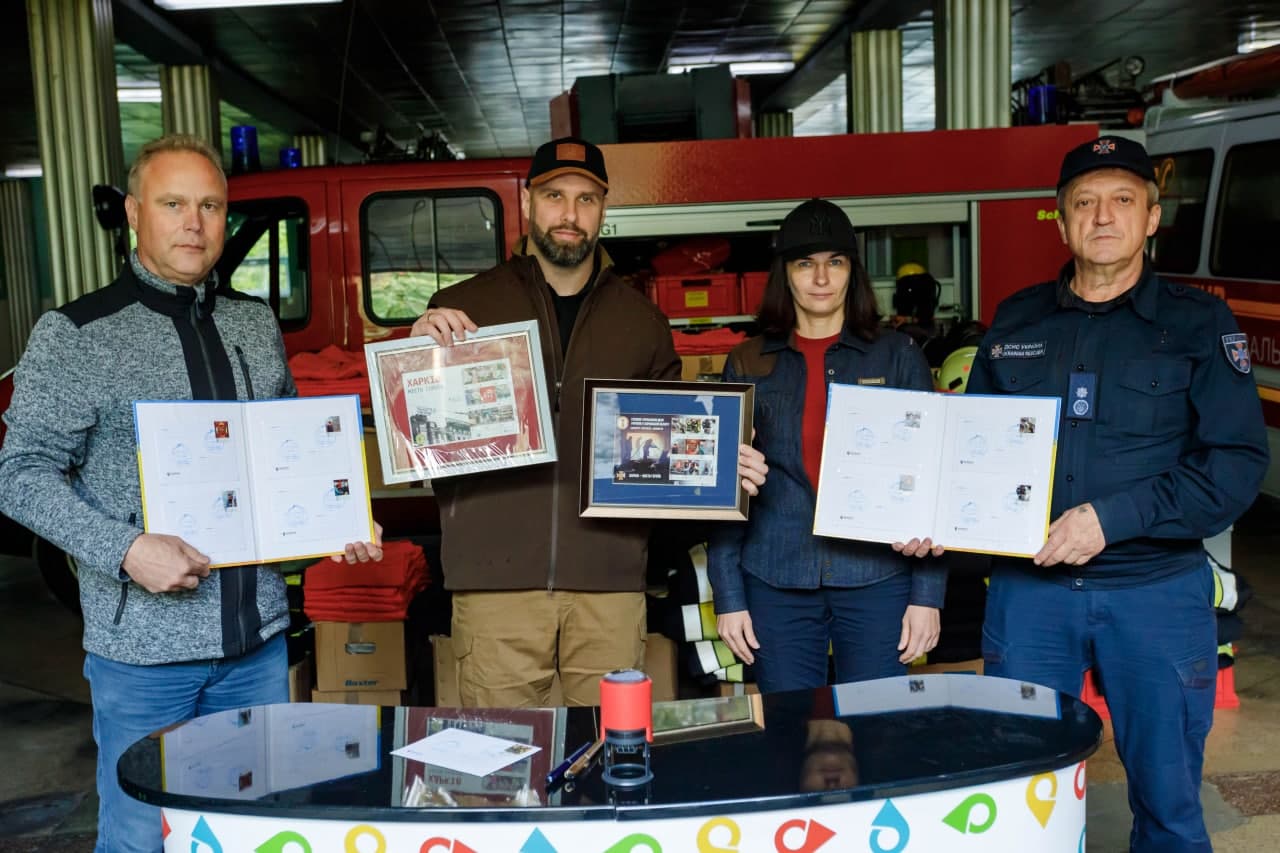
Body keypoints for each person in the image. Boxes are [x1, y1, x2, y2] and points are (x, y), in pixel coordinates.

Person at [0, 134, 383, 853]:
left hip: (258, 645)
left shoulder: (253, 323)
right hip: (143, 658)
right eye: (174, 204)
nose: (194, 223)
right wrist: (125, 549)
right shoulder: (76, 334)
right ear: (135, 214)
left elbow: (287, 457)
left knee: (252, 831)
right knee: (143, 834)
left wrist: (339, 520)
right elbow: (16, 474)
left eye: (210, 206)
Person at [967, 136, 1268, 852]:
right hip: (1030, 596)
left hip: (1155, 595)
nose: (1103, 217)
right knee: (1020, 800)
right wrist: (934, 517)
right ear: (1062, 221)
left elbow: (1235, 465)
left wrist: (1112, 518)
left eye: (1123, 200)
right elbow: (969, 450)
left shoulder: (1200, 325)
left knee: (1168, 804)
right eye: (1084, 202)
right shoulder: (1015, 321)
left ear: (1153, 217)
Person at [410, 137, 767, 708]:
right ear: (529, 202)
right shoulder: (461, 308)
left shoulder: (643, 322)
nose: (569, 214)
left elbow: (673, 450)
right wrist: (418, 354)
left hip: (610, 586)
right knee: (504, 764)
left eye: (586, 199)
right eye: (554, 196)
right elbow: (420, 432)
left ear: (604, 209)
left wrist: (725, 461)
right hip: (494, 587)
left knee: (609, 761)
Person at [707, 198, 946, 694]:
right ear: (785, 274)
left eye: (835, 263)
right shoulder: (748, 360)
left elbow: (932, 479)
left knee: (879, 729)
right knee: (792, 735)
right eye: (805, 264)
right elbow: (726, 488)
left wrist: (928, 595)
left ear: (852, 272)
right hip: (776, 577)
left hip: (877, 575)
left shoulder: (898, 356)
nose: (821, 278)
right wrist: (728, 596)